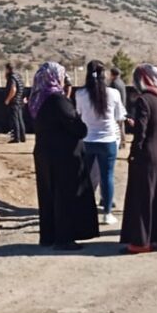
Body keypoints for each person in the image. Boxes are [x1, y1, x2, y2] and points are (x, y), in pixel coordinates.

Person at [28, 62, 99, 251]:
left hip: (44, 152)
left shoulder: (38, 98)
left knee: (49, 194)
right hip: (63, 155)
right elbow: (78, 127)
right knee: (64, 195)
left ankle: (49, 236)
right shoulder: (56, 99)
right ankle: (64, 238)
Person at [120, 64, 157, 253]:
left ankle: (141, 242)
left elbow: (141, 131)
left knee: (143, 198)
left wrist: (134, 153)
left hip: (148, 155)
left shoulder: (143, 100)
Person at [75, 60, 127, 225]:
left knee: (85, 177)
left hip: (88, 140)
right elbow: (119, 117)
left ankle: (83, 211)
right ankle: (107, 213)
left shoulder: (80, 94)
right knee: (107, 176)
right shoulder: (113, 93)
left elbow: (79, 114)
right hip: (108, 140)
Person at [4, 62, 27, 143]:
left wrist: (8, 99)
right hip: (20, 100)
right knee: (20, 119)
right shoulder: (18, 76)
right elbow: (22, 88)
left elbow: (13, 89)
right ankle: (22, 137)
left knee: (15, 119)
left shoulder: (12, 78)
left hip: (14, 101)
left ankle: (17, 138)